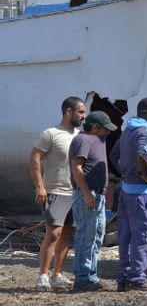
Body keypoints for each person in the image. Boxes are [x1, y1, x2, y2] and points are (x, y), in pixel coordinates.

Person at [29, 96, 86, 289]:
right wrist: (40, 186)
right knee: (54, 233)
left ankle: (57, 274)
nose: (83, 116)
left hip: (75, 192)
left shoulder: (80, 135)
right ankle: (43, 275)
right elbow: (34, 158)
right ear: (69, 112)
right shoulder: (51, 134)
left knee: (67, 233)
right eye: (80, 112)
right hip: (55, 191)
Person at [109, 98, 147, 291]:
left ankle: (124, 276)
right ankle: (138, 278)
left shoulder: (128, 130)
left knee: (125, 235)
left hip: (126, 191)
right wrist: (146, 176)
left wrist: (126, 172)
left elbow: (114, 155)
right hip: (141, 193)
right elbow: (142, 154)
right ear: (146, 114)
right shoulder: (144, 131)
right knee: (143, 235)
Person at [69, 111, 117, 292]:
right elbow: (77, 168)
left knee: (96, 236)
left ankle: (90, 275)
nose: (108, 132)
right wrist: (87, 193)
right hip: (88, 195)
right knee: (86, 236)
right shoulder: (83, 140)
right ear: (95, 127)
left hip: (97, 194)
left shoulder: (97, 140)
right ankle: (83, 278)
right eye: (105, 128)